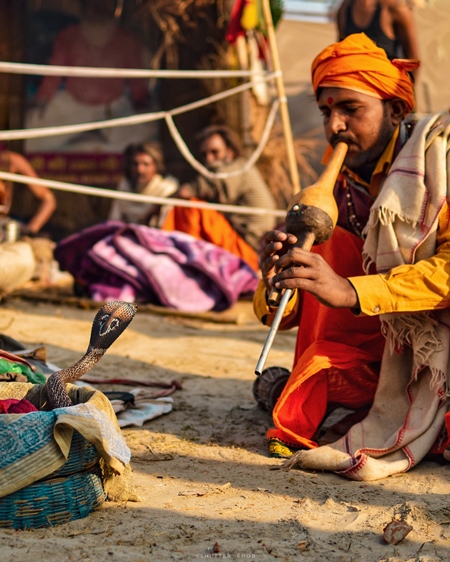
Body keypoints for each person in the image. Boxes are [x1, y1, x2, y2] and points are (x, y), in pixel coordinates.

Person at [253, 32, 450, 481]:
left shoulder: (442, 162)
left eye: (351, 109)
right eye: (327, 111)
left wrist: (350, 290)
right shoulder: (337, 186)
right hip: (380, 356)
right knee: (325, 243)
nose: (335, 125)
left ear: (396, 110)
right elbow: (283, 320)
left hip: (438, 347)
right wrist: (276, 280)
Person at [27, 0, 155, 152]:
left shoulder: (127, 40)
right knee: (34, 130)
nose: (96, 9)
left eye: (102, 4)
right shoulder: (69, 36)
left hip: (114, 108)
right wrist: (42, 101)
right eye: (91, 4)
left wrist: (140, 106)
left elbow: (137, 81)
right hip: (72, 106)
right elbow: (54, 75)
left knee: (146, 130)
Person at [163, 125, 277, 271]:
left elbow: (190, 191)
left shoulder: (238, 170)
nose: (209, 159)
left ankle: (184, 263)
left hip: (248, 252)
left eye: (215, 152)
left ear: (230, 152)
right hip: (238, 243)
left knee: (191, 207)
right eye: (204, 155)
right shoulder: (238, 170)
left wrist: (154, 207)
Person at [0, 149, 56, 295]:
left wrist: (30, 229)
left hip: (6, 242)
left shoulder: (10, 160)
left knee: (33, 254)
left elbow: (48, 200)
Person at [336, 0, 420, 77]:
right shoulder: (345, 7)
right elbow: (340, 51)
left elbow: (412, 58)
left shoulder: (394, 8)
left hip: (382, 77)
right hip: (349, 74)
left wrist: (409, 89)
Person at [109, 142, 178, 227]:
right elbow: (114, 220)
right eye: (135, 164)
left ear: (156, 166)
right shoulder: (124, 186)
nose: (140, 170)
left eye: (146, 164)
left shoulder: (166, 189)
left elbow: (165, 226)